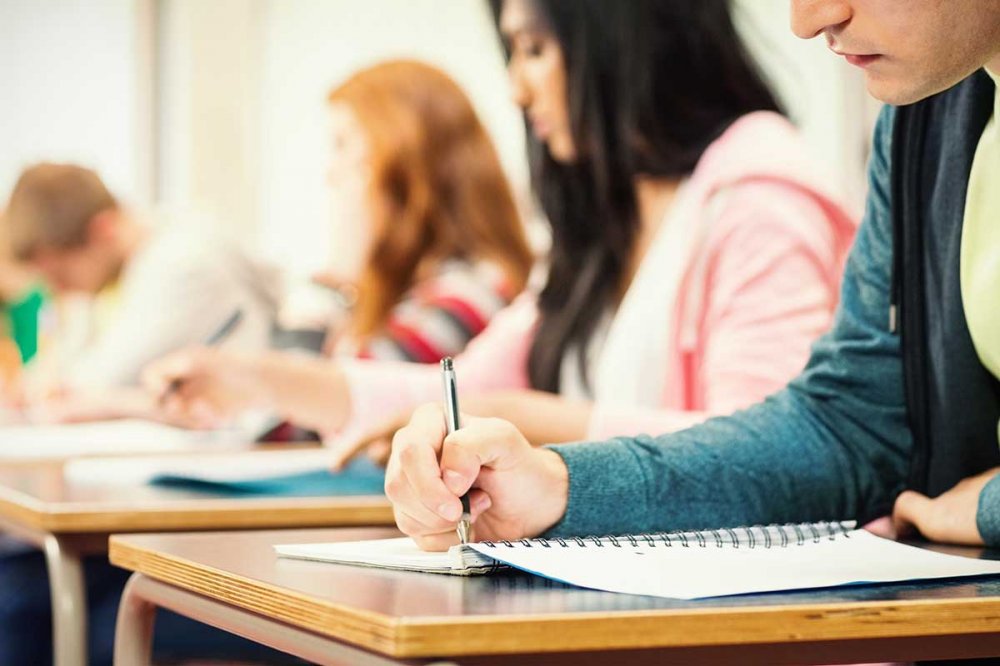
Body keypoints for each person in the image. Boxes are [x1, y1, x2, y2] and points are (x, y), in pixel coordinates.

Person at [379, 0, 1000, 553]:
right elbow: (849, 427)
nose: (807, 20)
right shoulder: (928, 117)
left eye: (537, 49)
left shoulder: (760, 189)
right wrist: (560, 488)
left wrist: (987, 505)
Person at [145, 0, 856, 463]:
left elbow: (767, 459)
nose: (517, 90)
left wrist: (519, 417)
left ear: (628, 37)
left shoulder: (761, 198)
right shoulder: (605, 223)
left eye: (536, 52)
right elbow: (460, 389)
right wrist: (254, 378)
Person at [2, 163, 280, 396]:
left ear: (104, 230)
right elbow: (53, 373)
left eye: (61, 275)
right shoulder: (113, 278)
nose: (58, 290)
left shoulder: (182, 259)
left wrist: (47, 387)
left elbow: (95, 383)